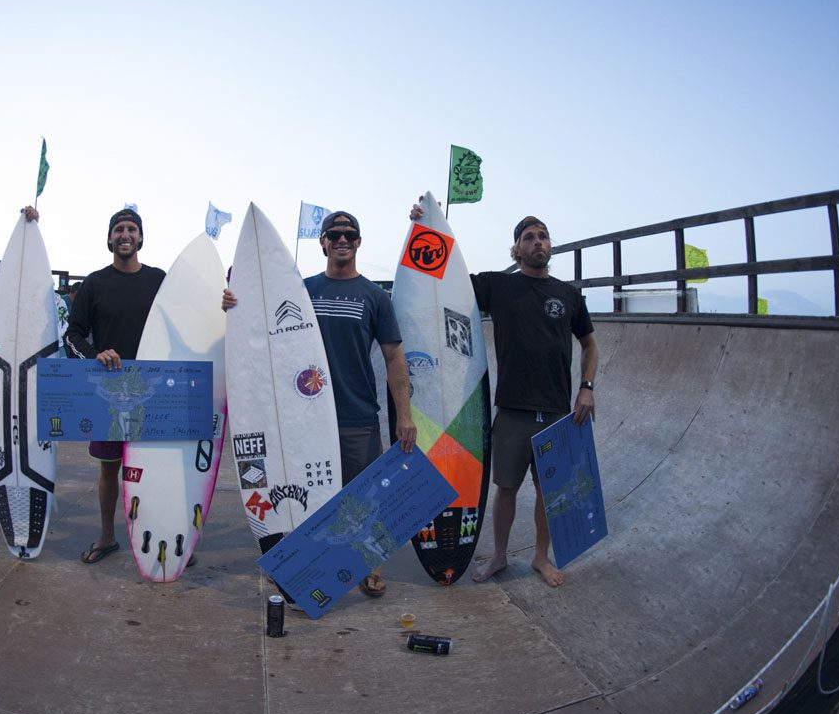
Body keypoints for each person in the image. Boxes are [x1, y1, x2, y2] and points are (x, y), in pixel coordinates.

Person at [223, 210, 416, 597]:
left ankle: (370, 565)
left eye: (349, 234)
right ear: (323, 242)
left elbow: (395, 356)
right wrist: (235, 303)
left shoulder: (375, 296)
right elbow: (261, 325)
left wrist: (404, 416)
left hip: (357, 414)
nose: (342, 239)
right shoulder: (301, 290)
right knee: (308, 497)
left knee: (365, 499)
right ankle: (305, 564)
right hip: (303, 418)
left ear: (358, 242)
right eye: (334, 234)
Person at [411, 203, 598, 587]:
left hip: (557, 410)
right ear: (516, 249)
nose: (537, 242)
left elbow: (590, 345)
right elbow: (445, 279)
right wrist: (426, 229)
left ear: (550, 245)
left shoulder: (568, 294)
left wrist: (587, 388)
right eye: (529, 238)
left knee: (548, 490)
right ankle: (499, 555)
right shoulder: (498, 285)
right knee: (506, 488)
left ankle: (540, 557)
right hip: (513, 409)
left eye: (543, 236)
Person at [65, 207, 165, 564]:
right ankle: (107, 536)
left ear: (141, 238)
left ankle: (158, 537)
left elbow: (188, 319)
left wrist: (224, 304)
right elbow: (72, 335)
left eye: (131, 229)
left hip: (151, 391)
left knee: (151, 469)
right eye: (119, 229)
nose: (125, 234)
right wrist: (95, 356)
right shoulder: (94, 283)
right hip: (109, 392)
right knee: (109, 467)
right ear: (110, 238)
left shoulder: (159, 280)